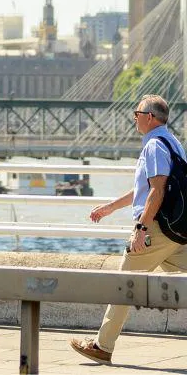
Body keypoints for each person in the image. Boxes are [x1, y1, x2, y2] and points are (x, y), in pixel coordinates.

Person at [70, 94, 187, 365]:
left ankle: (102, 346)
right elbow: (145, 189)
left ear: (149, 117)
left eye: (137, 113)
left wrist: (141, 229)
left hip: (155, 233)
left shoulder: (154, 146)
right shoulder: (172, 143)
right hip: (175, 231)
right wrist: (111, 207)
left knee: (124, 286)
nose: (134, 118)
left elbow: (156, 192)